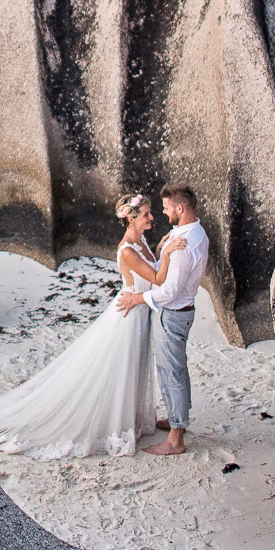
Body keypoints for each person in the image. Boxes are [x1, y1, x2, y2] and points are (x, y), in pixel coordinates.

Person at [0, 191, 189, 458]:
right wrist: (168, 254)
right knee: (118, 368)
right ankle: (113, 422)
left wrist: (160, 249)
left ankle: (131, 418)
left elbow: (148, 268)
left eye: (150, 213)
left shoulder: (140, 241)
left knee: (134, 368)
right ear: (130, 220)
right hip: (129, 315)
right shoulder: (128, 250)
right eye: (145, 215)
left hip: (139, 311)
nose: (151, 218)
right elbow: (157, 278)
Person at [116, 184, 210, 456]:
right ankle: (176, 418)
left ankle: (175, 439)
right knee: (176, 369)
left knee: (171, 373)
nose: (161, 214)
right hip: (180, 312)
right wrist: (163, 251)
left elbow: (169, 290)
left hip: (171, 314)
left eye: (167, 208)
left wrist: (138, 299)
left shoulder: (182, 245)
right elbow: (159, 273)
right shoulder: (194, 233)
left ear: (180, 208)